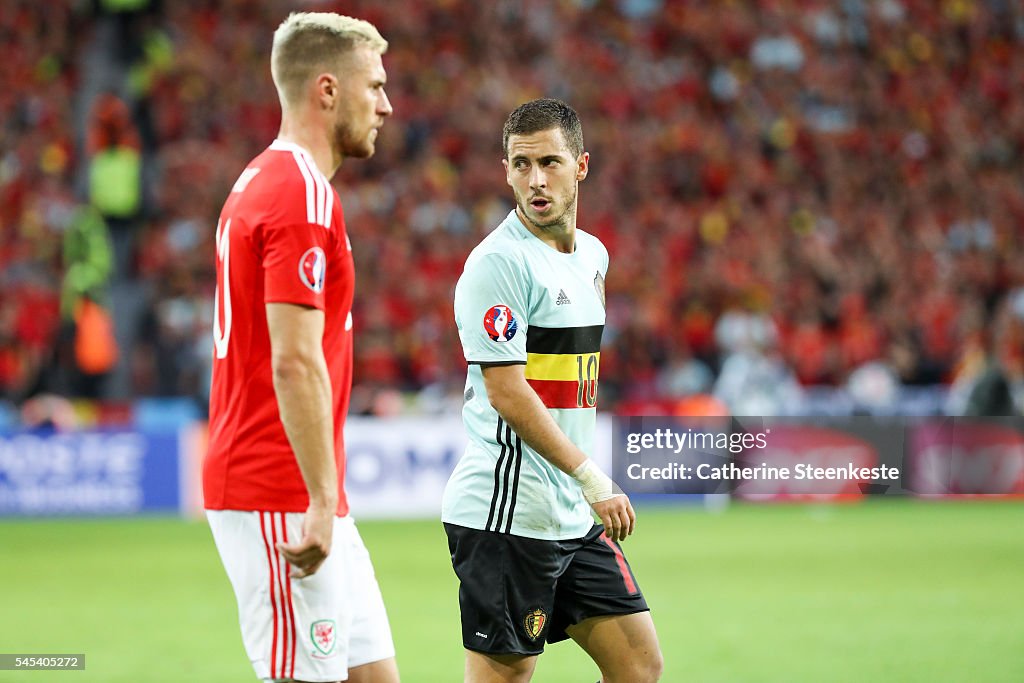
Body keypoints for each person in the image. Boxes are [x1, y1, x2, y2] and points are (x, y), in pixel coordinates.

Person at [204, 12, 398, 683]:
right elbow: (293, 357)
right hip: (276, 487)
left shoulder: (262, 179)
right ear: (326, 90)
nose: (386, 105)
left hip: (307, 490)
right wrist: (317, 497)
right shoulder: (299, 194)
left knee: (374, 674)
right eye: (373, 86)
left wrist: (326, 495)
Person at [442, 99, 663, 683]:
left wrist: (581, 485)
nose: (535, 180)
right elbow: (508, 394)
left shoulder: (593, 255)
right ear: (506, 169)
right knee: (507, 676)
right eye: (520, 164)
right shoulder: (498, 264)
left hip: (569, 511)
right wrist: (592, 476)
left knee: (639, 666)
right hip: (508, 514)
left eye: (550, 162)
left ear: (581, 165)